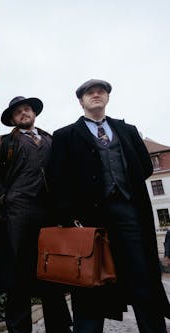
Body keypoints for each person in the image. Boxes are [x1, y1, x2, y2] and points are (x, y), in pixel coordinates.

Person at [48, 79, 170, 332]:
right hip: (88, 219)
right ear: (80, 101)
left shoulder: (127, 130)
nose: (96, 95)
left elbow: (144, 166)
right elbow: (56, 179)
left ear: (107, 98)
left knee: (142, 276)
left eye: (101, 92)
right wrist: (70, 218)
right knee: (90, 281)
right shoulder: (64, 135)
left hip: (130, 213)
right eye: (89, 93)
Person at [0, 96, 72, 333]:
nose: (24, 113)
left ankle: (59, 328)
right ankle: (19, 329)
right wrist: (4, 197)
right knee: (18, 276)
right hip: (17, 215)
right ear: (13, 119)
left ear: (34, 113)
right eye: (18, 112)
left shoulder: (51, 140)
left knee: (53, 272)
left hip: (50, 215)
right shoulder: (3, 143)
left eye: (27, 109)